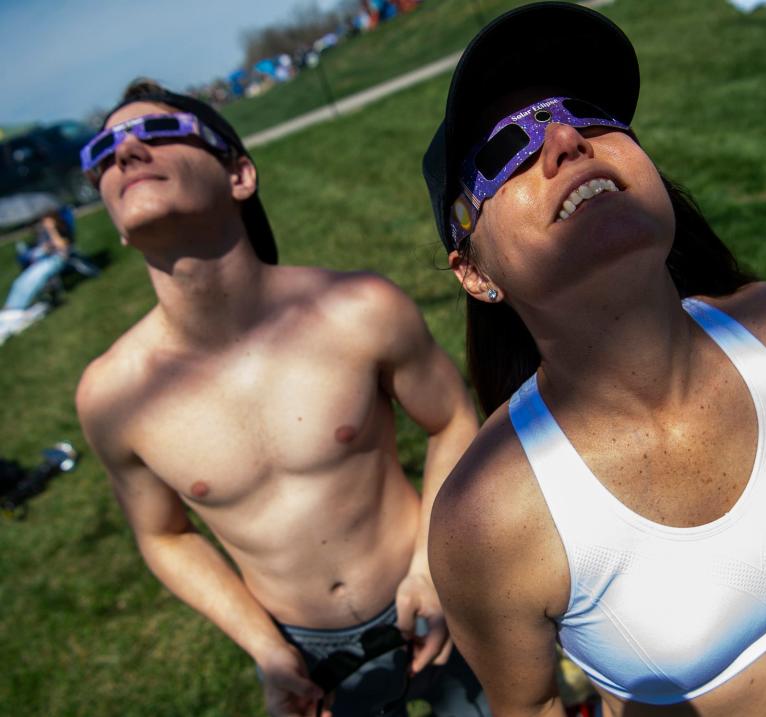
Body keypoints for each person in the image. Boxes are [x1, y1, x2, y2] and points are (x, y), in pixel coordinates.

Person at [421, 3, 766, 716]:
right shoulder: (488, 515)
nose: (565, 138)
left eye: (589, 114)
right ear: (474, 272)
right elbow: (529, 706)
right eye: (505, 151)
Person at [76, 79, 488, 717]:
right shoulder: (111, 396)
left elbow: (453, 417)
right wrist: (265, 650)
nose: (124, 155)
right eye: (103, 151)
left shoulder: (358, 309)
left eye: (156, 133)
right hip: (308, 663)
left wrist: (435, 569)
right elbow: (163, 536)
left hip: (438, 592)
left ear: (240, 173)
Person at [0, 209, 73, 342]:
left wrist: (52, 230)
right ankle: (10, 308)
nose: (44, 224)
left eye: (46, 221)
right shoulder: (42, 233)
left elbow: (62, 247)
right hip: (43, 261)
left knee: (33, 279)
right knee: (20, 282)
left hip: (56, 260)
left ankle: (16, 309)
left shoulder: (61, 230)